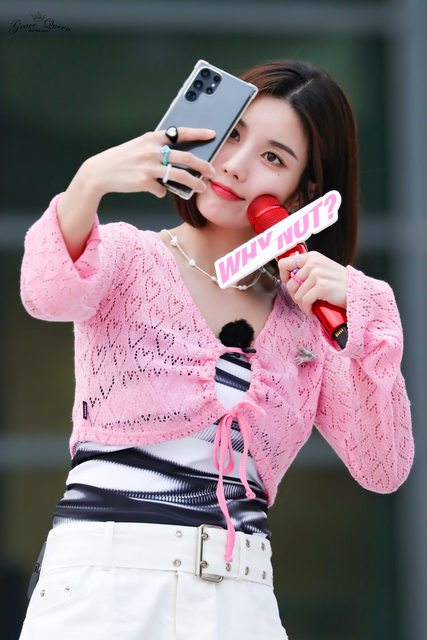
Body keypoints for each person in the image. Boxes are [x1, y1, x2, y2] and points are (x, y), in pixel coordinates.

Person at [18, 59, 414, 640]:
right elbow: (45, 293)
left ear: (303, 193)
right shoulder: (129, 257)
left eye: (273, 157)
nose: (235, 165)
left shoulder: (307, 321)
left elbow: (383, 466)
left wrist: (368, 310)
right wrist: (90, 182)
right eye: (233, 135)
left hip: (238, 601)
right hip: (103, 589)